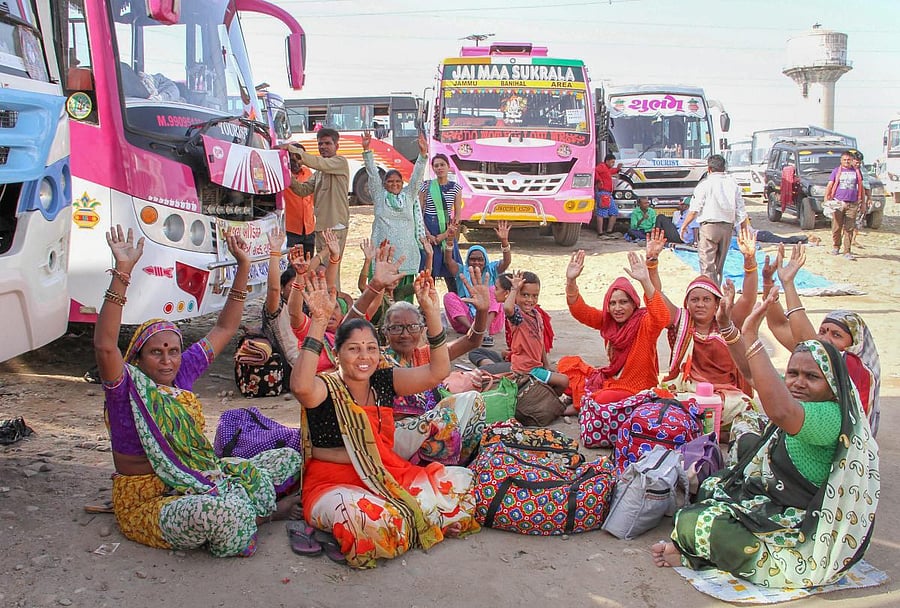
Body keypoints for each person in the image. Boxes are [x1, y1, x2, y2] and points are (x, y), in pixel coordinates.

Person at [94, 225, 302, 557]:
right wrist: (122, 272)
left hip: (200, 477)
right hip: (149, 500)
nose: (166, 360)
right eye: (156, 352)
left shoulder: (183, 372)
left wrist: (243, 266)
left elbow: (225, 327)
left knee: (288, 458)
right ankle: (263, 514)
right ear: (138, 357)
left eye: (173, 351)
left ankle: (248, 509)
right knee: (223, 513)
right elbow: (105, 347)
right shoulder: (127, 390)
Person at [653, 284, 879, 589]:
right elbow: (753, 375)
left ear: (832, 384)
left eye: (812, 377)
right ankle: (707, 549)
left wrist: (752, 338)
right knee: (711, 487)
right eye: (793, 374)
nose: (799, 383)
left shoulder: (829, 415)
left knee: (697, 524)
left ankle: (708, 556)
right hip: (774, 502)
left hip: (802, 529)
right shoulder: (802, 402)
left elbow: (780, 411)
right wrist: (731, 330)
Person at [292, 272, 479, 569]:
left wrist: (431, 313)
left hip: (386, 475)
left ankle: (411, 515)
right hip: (333, 484)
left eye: (370, 348)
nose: (363, 356)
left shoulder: (381, 380)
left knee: (461, 484)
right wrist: (317, 322)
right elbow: (300, 386)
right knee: (374, 522)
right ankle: (406, 518)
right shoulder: (325, 388)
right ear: (337, 355)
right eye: (353, 349)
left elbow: (437, 372)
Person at [762, 244, 881, 434]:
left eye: (837, 335)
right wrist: (768, 283)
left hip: (839, 437)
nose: (826, 339)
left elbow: (809, 342)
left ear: (854, 343)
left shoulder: (853, 364)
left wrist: (789, 284)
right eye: (823, 331)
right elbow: (779, 325)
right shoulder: (819, 355)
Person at [382, 266, 491, 466]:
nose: (405, 334)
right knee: (443, 418)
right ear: (385, 332)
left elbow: (472, 341)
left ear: (422, 329)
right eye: (396, 328)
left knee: (473, 400)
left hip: (435, 430)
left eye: (412, 327)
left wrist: (482, 311)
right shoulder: (379, 359)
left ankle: (460, 462)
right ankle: (435, 466)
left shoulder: (425, 355)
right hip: (395, 437)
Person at [648, 228, 757, 427]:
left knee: (744, 407)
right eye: (695, 300)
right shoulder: (681, 321)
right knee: (665, 402)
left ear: (717, 304)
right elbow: (656, 295)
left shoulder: (727, 323)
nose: (700, 304)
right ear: (686, 303)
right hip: (687, 391)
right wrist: (652, 263)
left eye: (706, 300)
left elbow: (749, 298)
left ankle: (707, 430)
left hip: (725, 395)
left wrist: (749, 261)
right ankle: (709, 431)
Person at [558, 250, 670, 410]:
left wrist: (645, 281)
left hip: (637, 390)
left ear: (634, 303)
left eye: (624, 302)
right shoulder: (608, 321)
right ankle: (584, 401)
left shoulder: (645, 322)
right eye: (612, 303)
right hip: (612, 381)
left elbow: (662, 317)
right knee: (566, 365)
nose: (618, 308)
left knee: (603, 398)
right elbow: (580, 311)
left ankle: (583, 402)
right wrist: (571, 280)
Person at [363, 129, 428, 301]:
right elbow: (372, 174)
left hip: (406, 254)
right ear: (384, 184)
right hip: (384, 254)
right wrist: (367, 151)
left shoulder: (408, 196)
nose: (394, 184)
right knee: (379, 295)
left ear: (402, 183)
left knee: (403, 297)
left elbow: (417, 179)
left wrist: (422, 155)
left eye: (398, 181)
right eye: (390, 182)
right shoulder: (379, 196)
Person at [286, 128, 350, 288]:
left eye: (328, 143)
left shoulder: (339, 162)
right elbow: (302, 190)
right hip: (320, 228)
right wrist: (287, 175)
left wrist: (291, 149)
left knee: (331, 271)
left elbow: (319, 162)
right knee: (322, 272)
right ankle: (325, 307)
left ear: (337, 145)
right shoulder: (319, 173)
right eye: (320, 144)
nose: (323, 147)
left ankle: (334, 307)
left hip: (335, 228)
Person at [680, 154, 748, 285]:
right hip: (727, 228)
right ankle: (716, 292)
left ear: (709, 169)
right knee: (718, 266)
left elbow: (694, 209)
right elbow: (741, 211)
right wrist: (743, 232)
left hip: (709, 227)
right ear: (724, 168)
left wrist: (684, 225)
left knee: (707, 265)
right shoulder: (733, 185)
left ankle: (709, 294)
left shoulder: (704, 185)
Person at [442, 222, 512, 347]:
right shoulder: (461, 270)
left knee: (492, 290)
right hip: (466, 323)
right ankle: (475, 331)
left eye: (480, 259)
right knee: (449, 296)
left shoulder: (492, 270)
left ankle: (483, 330)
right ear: (467, 260)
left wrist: (504, 241)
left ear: (485, 260)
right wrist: (450, 240)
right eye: (472, 259)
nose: (476, 262)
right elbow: (448, 261)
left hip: (491, 324)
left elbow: (506, 261)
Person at [503, 271, 569, 397]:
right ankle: (552, 402)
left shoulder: (537, 315)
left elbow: (541, 341)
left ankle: (546, 400)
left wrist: (547, 364)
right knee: (564, 381)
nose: (530, 300)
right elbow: (507, 308)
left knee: (560, 371)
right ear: (516, 295)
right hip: (526, 370)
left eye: (535, 296)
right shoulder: (518, 317)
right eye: (525, 295)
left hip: (537, 366)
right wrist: (514, 288)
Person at [419, 153, 463, 292]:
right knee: (428, 272)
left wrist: (445, 235)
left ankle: (457, 304)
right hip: (428, 229)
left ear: (448, 166)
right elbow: (419, 212)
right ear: (433, 168)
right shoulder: (426, 186)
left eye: (442, 165)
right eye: (436, 165)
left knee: (451, 272)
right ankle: (425, 308)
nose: (439, 168)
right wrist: (427, 234)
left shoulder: (455, 188)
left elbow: (457, 216)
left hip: (448, 231)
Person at [824, 151, 864, 260]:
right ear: (841, 161)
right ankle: (836, 246)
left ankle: (847, 251)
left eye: (848, 160)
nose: (846, 162)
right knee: (836, 227)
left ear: (852, 160)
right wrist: (826, 198)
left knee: (849, 228)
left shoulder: (857, 172)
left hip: (853, 203)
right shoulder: (836, 171)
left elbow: (861, 187)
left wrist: (863, 203)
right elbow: (830, 185)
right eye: (844, 160)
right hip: (838, 203)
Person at [283, 144, 315, 256]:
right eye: (292, 160)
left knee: (309, 264)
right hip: (291, 230)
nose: (296, 164)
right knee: (292, 267)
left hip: (309, 229)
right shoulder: (282, 175)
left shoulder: (308, 173)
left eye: (299, 160)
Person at [595, 153, 621, 237]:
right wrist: (599, 180)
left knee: (614, 212)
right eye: (612, 162)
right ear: (607, 161)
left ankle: (609, 231)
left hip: (608, 194)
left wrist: (617, 169)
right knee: (601, 213)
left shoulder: (606, 168)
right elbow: (594, 171)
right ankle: (600, 232)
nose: (613, 164)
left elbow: (612, 171)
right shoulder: (602, 167)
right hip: (603, 192)